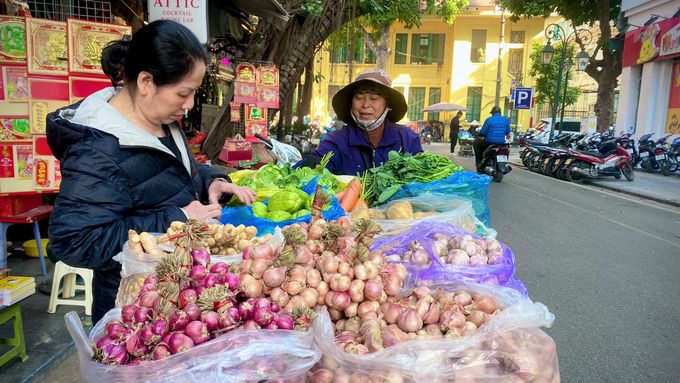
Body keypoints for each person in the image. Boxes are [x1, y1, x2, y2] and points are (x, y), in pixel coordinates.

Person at [46, 21, 257, 324]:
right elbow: (75, 241)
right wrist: (178, 219)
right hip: (136, 311)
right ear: (146, 82)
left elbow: (163, 175)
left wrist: (211, 181)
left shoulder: (162, 121)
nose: (189, 104)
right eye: (183, 93)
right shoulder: (96, 149)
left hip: (178, 295)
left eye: (195, 92)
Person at [295, 68, 422, 175]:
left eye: (374, 98)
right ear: (351, 103)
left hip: (399, 205)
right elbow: (316, 162)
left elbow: (423, 174)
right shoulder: (337, 141)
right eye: (359, 98)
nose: (366, 105)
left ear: (387, 104)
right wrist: (310, 164)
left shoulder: (407, 139)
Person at [474, 106, 511, 171]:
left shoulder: (489, 119)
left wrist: (479, 134)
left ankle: (479, 162)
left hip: (489, 141)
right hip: (501, 142)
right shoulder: (506, 120)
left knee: (476, 143)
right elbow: (508, 131)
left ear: (492, 113)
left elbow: (483, 132)